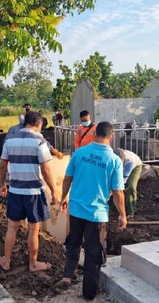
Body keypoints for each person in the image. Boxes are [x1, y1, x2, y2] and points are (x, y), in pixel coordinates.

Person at [58, 121, 127, 299]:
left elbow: (67, 179)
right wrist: (122, 215)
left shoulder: (80, 152)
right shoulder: (113, 160)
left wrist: (63, 197)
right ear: (111, 137)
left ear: (95, 133)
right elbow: (118, 192)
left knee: (73, 243)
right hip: (96, 215)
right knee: (93, 252)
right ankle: (88, 293)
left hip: (76, 210)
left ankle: (67, 275)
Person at [0, 111, 60, 272]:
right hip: (33, 192)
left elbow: (3, 165)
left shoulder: (10, 140)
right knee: (33, 229)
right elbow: (46, 170)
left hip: (16, 190)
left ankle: (6, 261)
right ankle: (33, 263)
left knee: (12, 227)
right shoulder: (40, 142)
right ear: (39, 124)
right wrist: (54, 191)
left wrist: (2, 184)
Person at [113, 148, 143, 216]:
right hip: (124, 165)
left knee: (130, 186)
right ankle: (114, 207)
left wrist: (115, 189)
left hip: (136, 166)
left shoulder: (130, 161)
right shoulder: (109, 157)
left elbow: (123, 179)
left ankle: (131, 211)